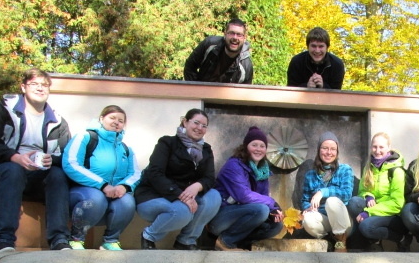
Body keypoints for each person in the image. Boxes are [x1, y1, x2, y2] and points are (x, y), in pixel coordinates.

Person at [0, 68, 72, 252]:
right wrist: (15, 157)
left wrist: (52, 160)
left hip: (37, 175)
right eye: (34, 84)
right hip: (1, 170)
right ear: (23, 87)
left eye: (44, 85)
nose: (40, 88)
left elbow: (67, 155)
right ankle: (4, 240)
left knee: (57, 175)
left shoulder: (58, 121)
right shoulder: (5, 108)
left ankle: (59, 239)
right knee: (14, 170)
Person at [134, 109, 222, 250]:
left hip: (184, 197)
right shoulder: (167, 143)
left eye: (204, 125)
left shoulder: (206, 149)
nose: (199, 128)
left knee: (214, 196)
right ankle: (149, 236)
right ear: (185, 122)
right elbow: (155, 174)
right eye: (196, 123)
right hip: (153, 196)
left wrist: (197, 186)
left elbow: (209, 178)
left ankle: (185, 241)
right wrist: (180, 195)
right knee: (182, 211)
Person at [62, 105, 141, 250]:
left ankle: (111, 241)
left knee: (127, 202)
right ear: (101, 118)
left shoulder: (126, 149)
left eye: (121, 121)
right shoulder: (85, 137)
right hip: (84, 191)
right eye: (112, 118)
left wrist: (124, 186)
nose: (116, 122)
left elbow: (135, 173)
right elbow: (71, 163)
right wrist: (102, 185)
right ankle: (76, 239)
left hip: (113, 193)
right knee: (96, 198)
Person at [208, 126, 283, 251]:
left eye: (262, 146)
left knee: (276, 225)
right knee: (261, 210)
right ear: (246, 147)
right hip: (221, 218)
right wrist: (272, 203)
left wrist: (273, 211)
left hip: (246, 214)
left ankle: (240, 244)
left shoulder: (262, 171)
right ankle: (225, 242)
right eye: (254, 145)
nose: (258, 149)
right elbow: (243, 195)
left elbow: (263, 197)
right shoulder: (234, 165)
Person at [347, 132, 408, 251]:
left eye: (381, 147)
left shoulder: (396, 171)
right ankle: (374, 241)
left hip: (393, 214)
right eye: (374, 147)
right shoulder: (369, 167)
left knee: (366, 227)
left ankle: (401, 239)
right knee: (354, 202)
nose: (377, 151)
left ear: (389, 148)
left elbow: (397, 204)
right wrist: (368, 196)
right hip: (375, 208)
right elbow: (362, 190)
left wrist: (368, 212)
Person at [300, 132, 354, 252]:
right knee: (307, 219)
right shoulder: (310, 175)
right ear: (319, 150)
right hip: (323, 219)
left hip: (343, 221)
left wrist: (323, 192)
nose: (329, 152)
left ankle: (341, 242)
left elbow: (347, 194)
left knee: (332, 201)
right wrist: (308, 208)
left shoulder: (344, 170)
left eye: (333, 149)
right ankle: (328, 242)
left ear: (337, 152)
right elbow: (304, 199)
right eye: (325, 148)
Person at [183, 18, 254, 84]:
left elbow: (244, 91)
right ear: (225, 34)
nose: (235, 37)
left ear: (244, 38)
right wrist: (195, 89)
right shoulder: (209, 44)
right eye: (231, 33)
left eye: (239, 35)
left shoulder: (246, 66)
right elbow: (190, 66)